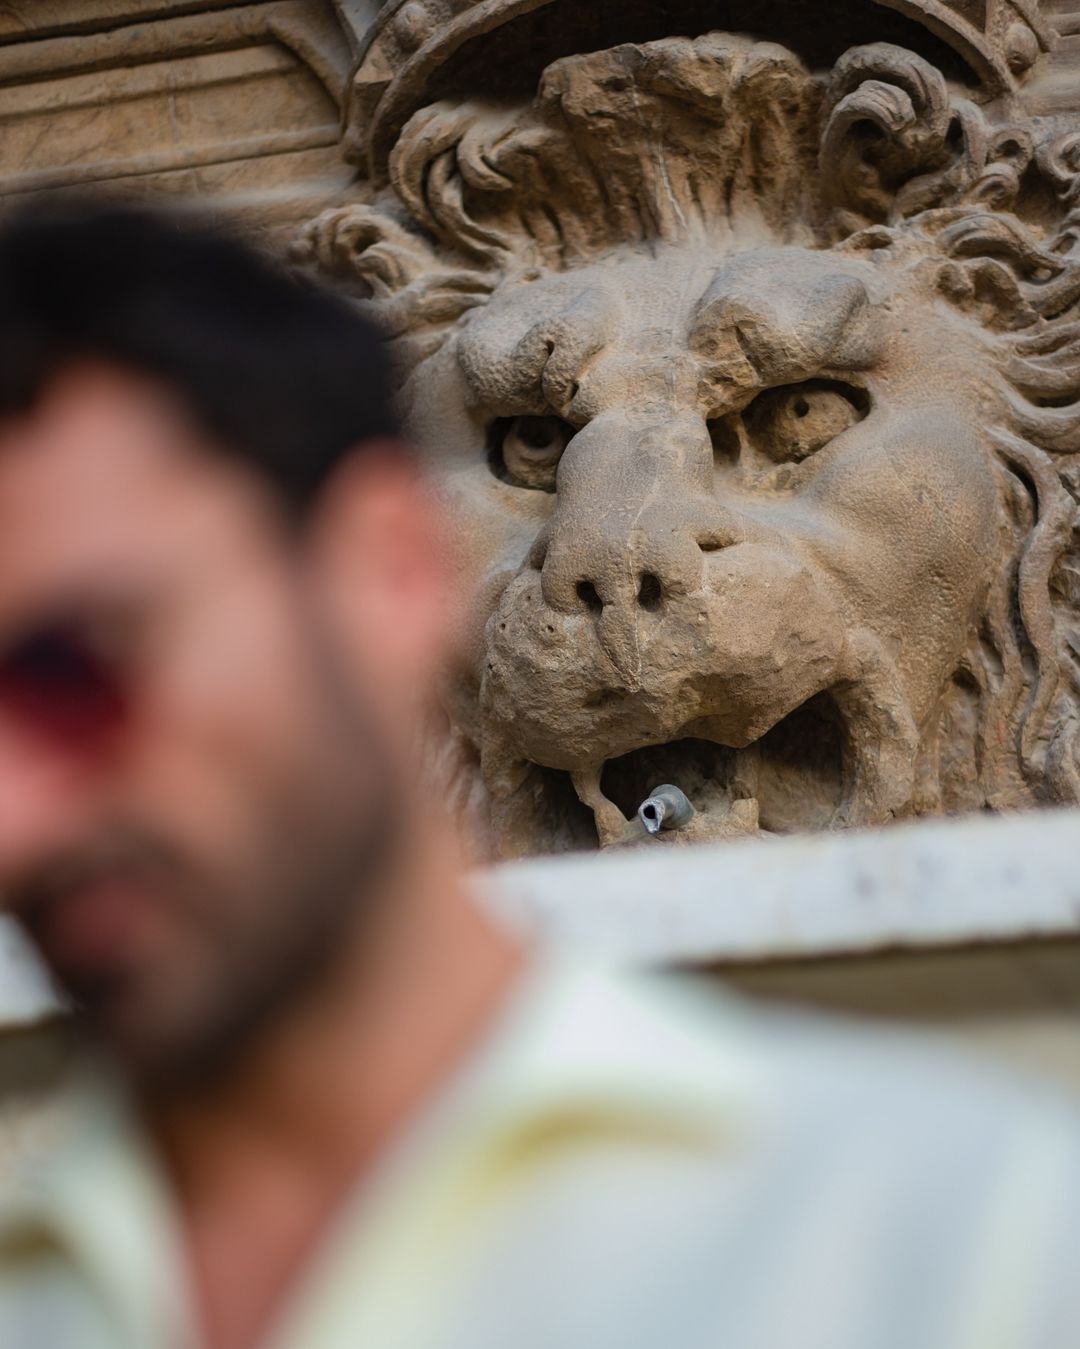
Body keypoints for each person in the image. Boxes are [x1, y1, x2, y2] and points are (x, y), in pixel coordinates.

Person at [0, 198, 1076, 1349]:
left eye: (77, 668)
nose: (11, 816)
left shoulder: (971, 1249)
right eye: (527, 447)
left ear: (389, 571)